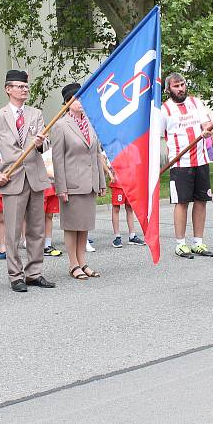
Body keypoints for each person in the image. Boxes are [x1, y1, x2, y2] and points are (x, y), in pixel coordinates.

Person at [0, 69, 54, 293]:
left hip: (35, 177)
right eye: (19, 86)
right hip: (12, 179)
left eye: (26, 86)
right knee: (12, 231)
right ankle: (15, 275)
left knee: (36, 229)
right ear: (8, 89)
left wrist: (41, 142)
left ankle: (34, 272)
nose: (24, 89)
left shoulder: (36, 114)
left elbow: (45, 144)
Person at [51, 83, 107, 280]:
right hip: (72, 184)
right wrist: (61, 187)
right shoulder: (60, 125)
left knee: (84, 225)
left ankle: (83, 262)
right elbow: (57, 159)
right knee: (72, 225)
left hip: (89, 182)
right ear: (68, 102)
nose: (81, 102)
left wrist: (101, 181)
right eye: (77, 98)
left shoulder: (90, 123)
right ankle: (73, 264)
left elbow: (96, 154)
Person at [161, 72, 213, 258]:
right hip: (180, 163)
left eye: (182, 84)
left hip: (201, 160)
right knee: (182, 202)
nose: (181, 88)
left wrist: (208, 130)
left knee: (201, 201)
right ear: (168, 89)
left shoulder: (196, 102)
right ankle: (180, 244)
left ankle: (198, 242)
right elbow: (157, 135)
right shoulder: (164, 109)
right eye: (176, 86)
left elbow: (207, 124)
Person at [102, 154, 146, 248]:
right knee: (116, 209)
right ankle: (117, 237)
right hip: (118, 183)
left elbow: (137, 164)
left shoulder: (132, 146)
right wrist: (109, 172)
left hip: (131, 183)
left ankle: (132, 236)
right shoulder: (113, 145)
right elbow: (101, 157)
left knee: (130, 208)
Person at [41, 148, 63, 257]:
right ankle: (37, 244)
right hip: (42, 187)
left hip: (53, 188)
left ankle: (47, 244)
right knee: (39, 217)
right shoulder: (45, 153)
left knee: (49, 215)